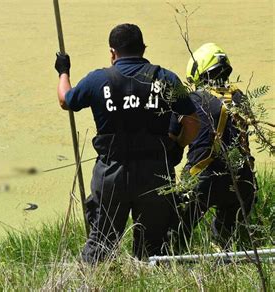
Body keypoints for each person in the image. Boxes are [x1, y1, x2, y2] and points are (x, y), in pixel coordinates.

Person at [54, 23, 200, 264]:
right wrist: (178, 145)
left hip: (112, 173)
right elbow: (193, 123)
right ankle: (149, 277)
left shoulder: (97, 80)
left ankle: (93, 282)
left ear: (112, 53)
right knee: (154, 245)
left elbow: (65, 100)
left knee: (101, 240)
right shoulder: (165, 79)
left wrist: (63, 71)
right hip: (155, 174)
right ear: (143, 48)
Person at [169, 43, 256, 249]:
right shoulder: (240, 97)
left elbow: (171, 138)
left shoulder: (192, 99)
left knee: (176, 233)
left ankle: (176, 264)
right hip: (243, 180)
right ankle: (224, 263)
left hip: (204, 179)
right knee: (227, 240)